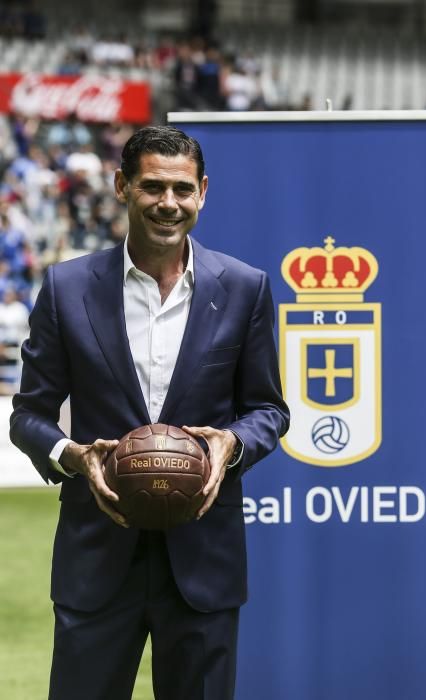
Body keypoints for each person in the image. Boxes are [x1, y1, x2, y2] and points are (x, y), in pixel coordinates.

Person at [10, 125, 289, 700]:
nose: (169, 203)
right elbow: (28, 415)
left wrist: (229, 446)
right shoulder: (66, 289)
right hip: (97, 559)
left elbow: (268, 409)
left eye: (182, 189)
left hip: (204, 563)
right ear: (121, 186)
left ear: (203, 192)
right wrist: (72, 455)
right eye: (153, 187)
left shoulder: (245, 288)